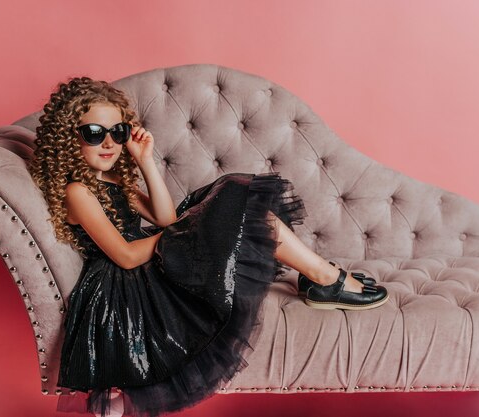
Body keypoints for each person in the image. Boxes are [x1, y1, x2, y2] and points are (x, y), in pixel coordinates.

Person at [27, 76, 388, 417]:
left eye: (117, 132)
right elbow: (124, 255)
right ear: (68, 140)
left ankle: (321, 275)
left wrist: (146, 162)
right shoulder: (78, 192)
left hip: (146, 261)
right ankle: (323, 278)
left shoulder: (112, 179)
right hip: (126, 283)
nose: (109, 143)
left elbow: (166, 219)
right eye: (94, 133)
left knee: (236, 204)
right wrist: (193, 230)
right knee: (231, 200)